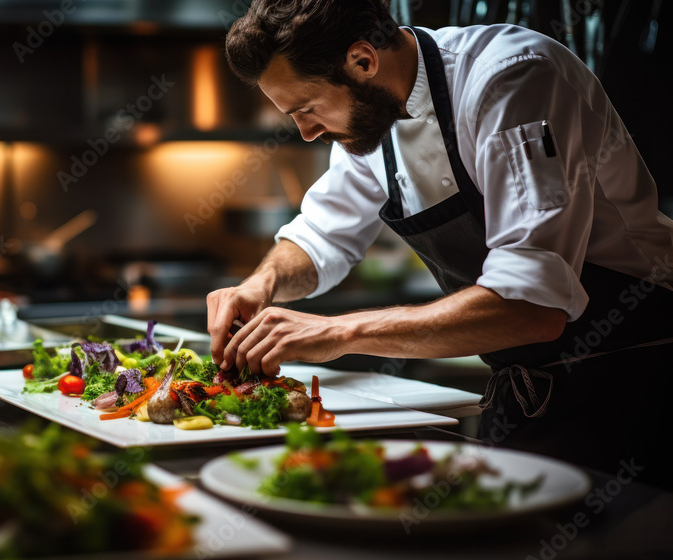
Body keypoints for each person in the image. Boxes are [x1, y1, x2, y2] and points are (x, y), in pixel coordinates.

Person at [207, 0, 673, 487]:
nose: (306, 133)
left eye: (306, 108)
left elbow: (532, 306)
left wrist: (338, 333)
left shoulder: (511, 79)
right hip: (527, 390)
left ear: (363, 61)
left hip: (636, 382)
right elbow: (322, 234)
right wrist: (263, 283)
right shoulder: (371, 117)